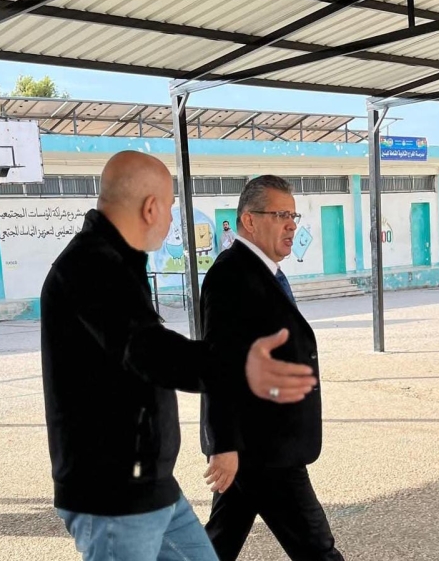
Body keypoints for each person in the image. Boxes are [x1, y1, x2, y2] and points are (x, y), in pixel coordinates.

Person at [40, 153, 318, 561]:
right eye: (171, 206)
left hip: (150, 483)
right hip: (111, 493)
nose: (172, 219)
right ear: (151, 207)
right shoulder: (90, 266)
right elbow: (147, 349)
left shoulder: (119, 262)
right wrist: (241, 370)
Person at [199, 175, 344, 561]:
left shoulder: (261, 272)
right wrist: (224, 445)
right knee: (317, 549)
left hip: (260, 444)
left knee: (218, 542)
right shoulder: (230, 277)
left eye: (293, 216)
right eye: (281, 215)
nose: (292, 225)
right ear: (249, 220)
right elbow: (219, 366)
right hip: (265, 449)